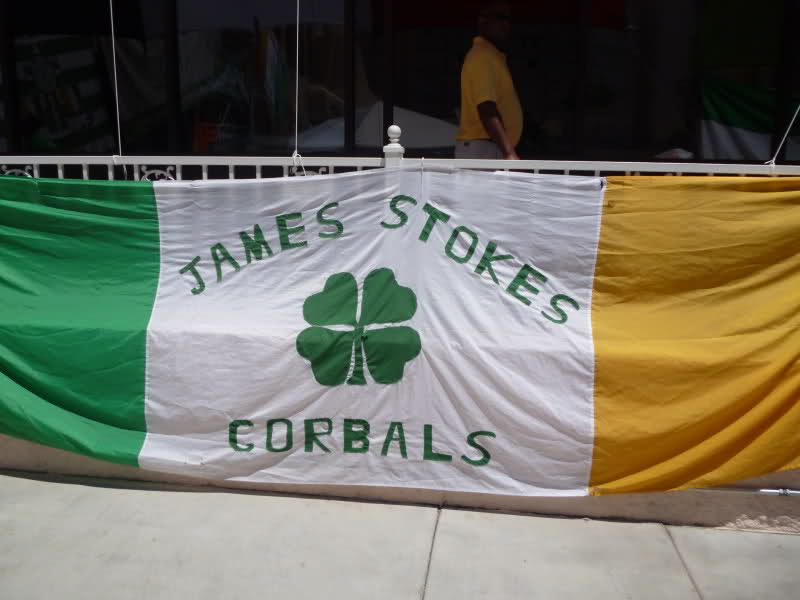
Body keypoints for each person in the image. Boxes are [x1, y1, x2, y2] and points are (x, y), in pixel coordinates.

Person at [456, 1, 522, 160]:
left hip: (491, 147)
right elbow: (486, 108)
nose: (505, 24)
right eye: (500, 17)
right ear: (483, 21)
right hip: (483, 148)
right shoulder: (482, 56)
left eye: (508, 19)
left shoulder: (492, 56)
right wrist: (509, 152)